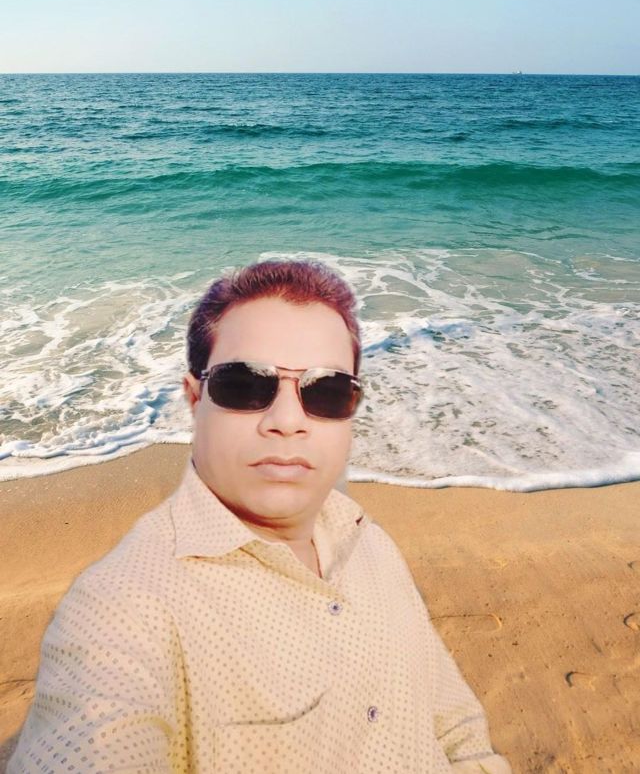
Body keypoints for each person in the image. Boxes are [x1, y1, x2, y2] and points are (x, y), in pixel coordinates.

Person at [9, 259, 511, 773]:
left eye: (326, 391)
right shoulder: (123, 606)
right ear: (194, 399)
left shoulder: (369, 541)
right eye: (245, 385)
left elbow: (455, 728)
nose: (287, 421)